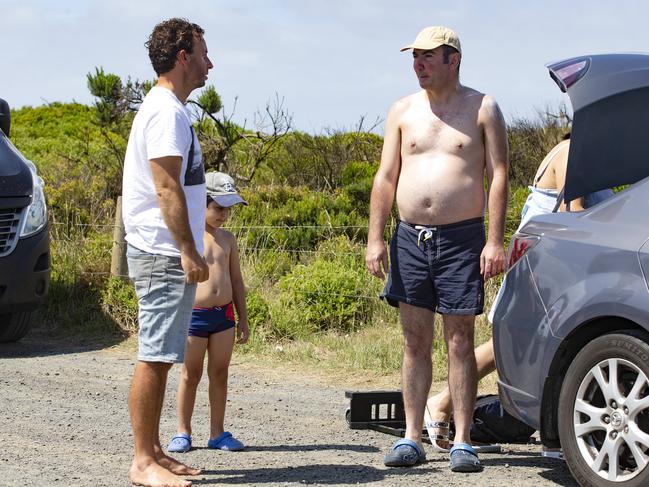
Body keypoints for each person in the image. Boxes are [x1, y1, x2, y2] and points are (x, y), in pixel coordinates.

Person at [365, 26, 508, 473]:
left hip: (462, 238)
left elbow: (499, 174)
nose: (419, 64)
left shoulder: (483, 107)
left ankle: (462, 439)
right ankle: (411, 437)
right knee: (414, 340)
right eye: (415, 57)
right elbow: (386, 177)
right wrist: (374, 237)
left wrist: (495, 240)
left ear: (454, 60)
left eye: (428, 56)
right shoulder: (402, 110)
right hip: (410, 237)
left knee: (460, 340)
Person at [423, 135, 614, 451]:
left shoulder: (594, 163)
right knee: (510, 344)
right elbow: (572, 212)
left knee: (526, 344)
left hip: (560, 261)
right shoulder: (573, 153)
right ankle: (442, 402)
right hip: (546, 261)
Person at [122, 18, 213, 487]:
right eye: (202, 53)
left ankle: (154, 450)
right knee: (155, 355)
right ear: (182, 56)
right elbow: (165, 186)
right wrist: (189, 250)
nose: (209, 63)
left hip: (163, 251)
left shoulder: (168, 108)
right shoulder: (166, 112)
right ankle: (142, 462)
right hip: (162, 251)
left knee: (161, 353)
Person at [167, 172, 250, 454]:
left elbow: (236, 280)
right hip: (194, 317)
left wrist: (243, 319)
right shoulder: (188, 239)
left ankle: (217, 433)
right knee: (190, 374)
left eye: (228, 209)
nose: (224, 215)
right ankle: (183, 431)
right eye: (218, 208)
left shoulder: (228, 240)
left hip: (223, 317)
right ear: (199, 203)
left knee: (220, 372)